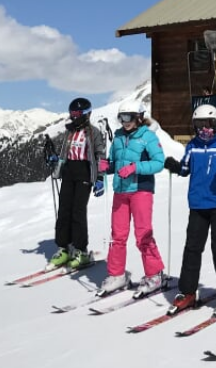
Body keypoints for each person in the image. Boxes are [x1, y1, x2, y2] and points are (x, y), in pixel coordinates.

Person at [163, 104, 216, 315]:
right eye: (199, 125)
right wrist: (174, 166)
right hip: (198, 205)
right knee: (192, 248)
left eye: (208, 124)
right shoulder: (193, 145)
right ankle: (188, 292)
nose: (204, 129)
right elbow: (185, 168)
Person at [98, 100, 168, 297]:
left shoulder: (148, 137)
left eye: (128, 117)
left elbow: (158, 163)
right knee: (118, 235)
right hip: (121, 191)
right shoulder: (119, 136)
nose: (124, 122)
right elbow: (115, 161)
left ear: (138, 117)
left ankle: (155, 274)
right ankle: (117, 275)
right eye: (121, 118)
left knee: (142, 234)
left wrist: (135, 168)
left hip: (141, 190)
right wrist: (107, 167)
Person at [47, 97, 109, 271]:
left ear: (86, 115)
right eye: (71, 114)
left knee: (78, 211)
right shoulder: (69, 132)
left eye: (76, 114)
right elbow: (64, 153)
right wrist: (56, 161)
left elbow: (101, 156)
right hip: (69, 172)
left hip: (84, 172)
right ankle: (64, 247)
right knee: (64, 209)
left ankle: (81, 251)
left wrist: (100, 178)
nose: (73, 117)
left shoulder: (94, 133)